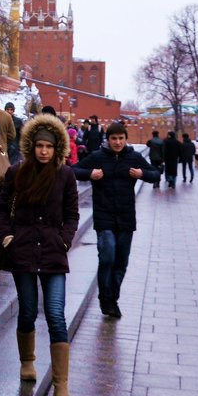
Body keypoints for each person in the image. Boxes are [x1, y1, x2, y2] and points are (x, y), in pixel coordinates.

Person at [0, 114, 78, 396]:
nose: (44, 151)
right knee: (28, 311)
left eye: (49, 146)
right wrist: (7, 236)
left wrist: (65, 239)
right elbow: (2, 209)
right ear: (31, 146)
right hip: (24, 252)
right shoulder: (17, 173)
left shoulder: (65, 175)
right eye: (39, 146)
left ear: (57, 149)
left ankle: (61, 384)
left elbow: (71, 214)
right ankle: (27, 361)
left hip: (53, 252)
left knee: (56, 314)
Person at [72, 121, 159, 319]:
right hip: (104, 217)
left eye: (121, 138)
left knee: (121, 262)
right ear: (108, 139)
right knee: (107, 256)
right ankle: (105, 297)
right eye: (114, 138)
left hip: (126, 219)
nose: (117, 142)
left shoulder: (133, 157)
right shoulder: (98, 157)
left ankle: (112, 299)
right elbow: (72, 170)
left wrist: (142, 174)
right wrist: (90, 174)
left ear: (125, 139)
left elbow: (156, 174)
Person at [4, 102, 25, 166]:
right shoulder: (2, 120)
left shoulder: (18, 121)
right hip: (4, 146)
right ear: (5, 110)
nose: (9, 111)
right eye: (8, 109)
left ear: (13, 111)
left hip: (15, 147)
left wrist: (20, 147)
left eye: (11, 110)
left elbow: (22, 135)